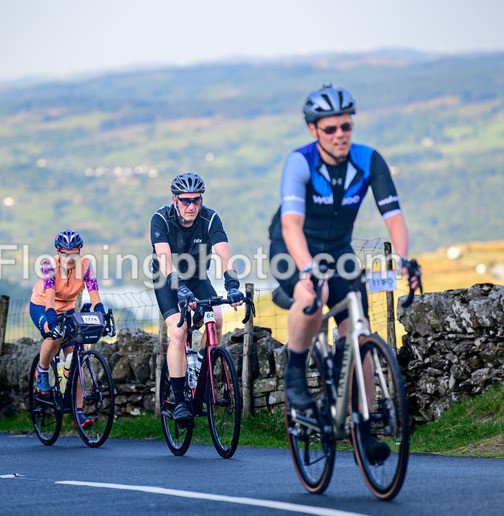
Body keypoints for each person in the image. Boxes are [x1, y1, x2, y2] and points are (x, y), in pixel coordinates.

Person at [268, 83, 420, 464]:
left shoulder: (369, 161)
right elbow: (291, 225)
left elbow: (395, 217)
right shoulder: (300, 162)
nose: (340, 135)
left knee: (359, 332)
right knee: (311, 297)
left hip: (338, 250)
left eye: (346, 127)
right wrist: (306, 270)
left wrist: (403, 259)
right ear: (314, 130)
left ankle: (362, 429)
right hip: (293, 245)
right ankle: (297, 371)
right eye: (331, 129)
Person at [150, 173, 245, 428]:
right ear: (175, 200)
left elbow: (225, 253)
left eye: (197, 200)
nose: (192, 206)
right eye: (185, 201)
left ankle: (202, 368)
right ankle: (180, 401)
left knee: (219, 317)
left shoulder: (210, 217)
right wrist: (179, 288)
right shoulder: (161, 219)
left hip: (197, 277)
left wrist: (233, 284)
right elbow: (164, 258)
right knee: (179, 332)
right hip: (167, 280)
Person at [29, 229, 105, 429]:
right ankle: (42, 371)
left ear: (80, 252)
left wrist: (102, 315)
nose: (69, 258)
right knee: (54, 336)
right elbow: (49, 299)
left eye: (74, 253)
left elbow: (94, 294)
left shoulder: (86, 266)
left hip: (69, 309)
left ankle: (77, 412)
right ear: (58, 252)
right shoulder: (49, 266)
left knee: (75, 359)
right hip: (42, 306)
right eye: (65, 253)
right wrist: (52, 323)